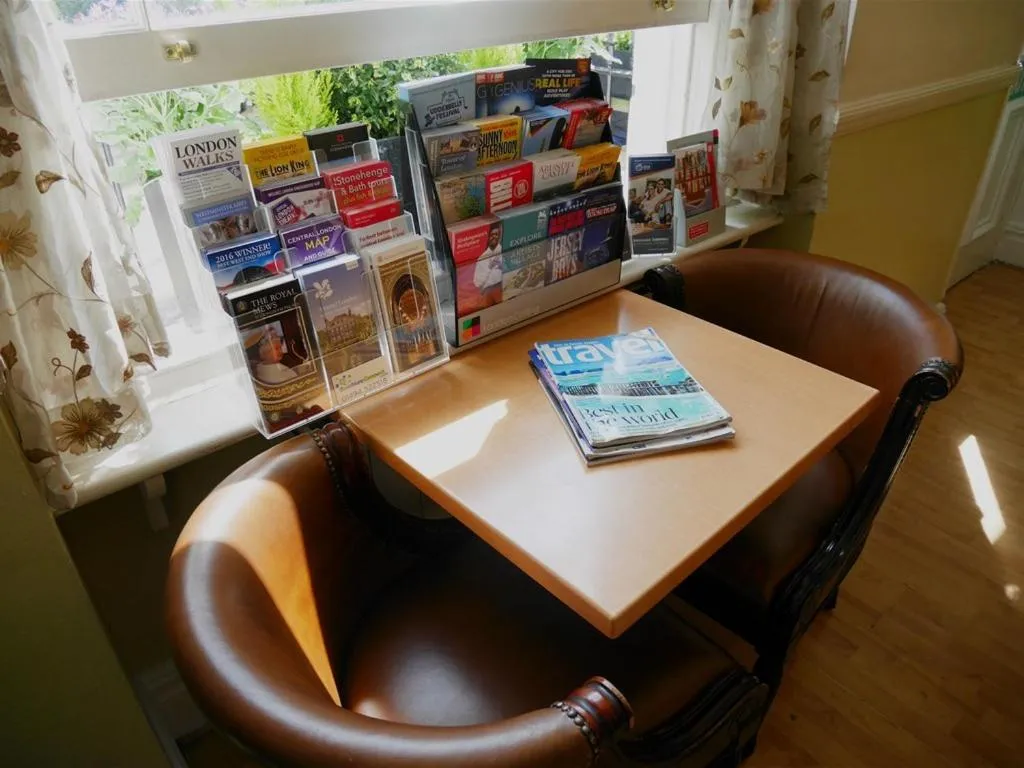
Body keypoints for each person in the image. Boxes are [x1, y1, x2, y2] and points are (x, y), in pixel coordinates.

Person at [473, 221, 504, 306]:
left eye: (496, 234)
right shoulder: (482, 258)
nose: (494, 237)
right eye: (492, 235)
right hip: (488, 291)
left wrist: (503, 267)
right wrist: (489, 268)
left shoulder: (504, 251)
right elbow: (477, 283)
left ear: (499, 237)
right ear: (488, 237)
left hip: (503, 286)